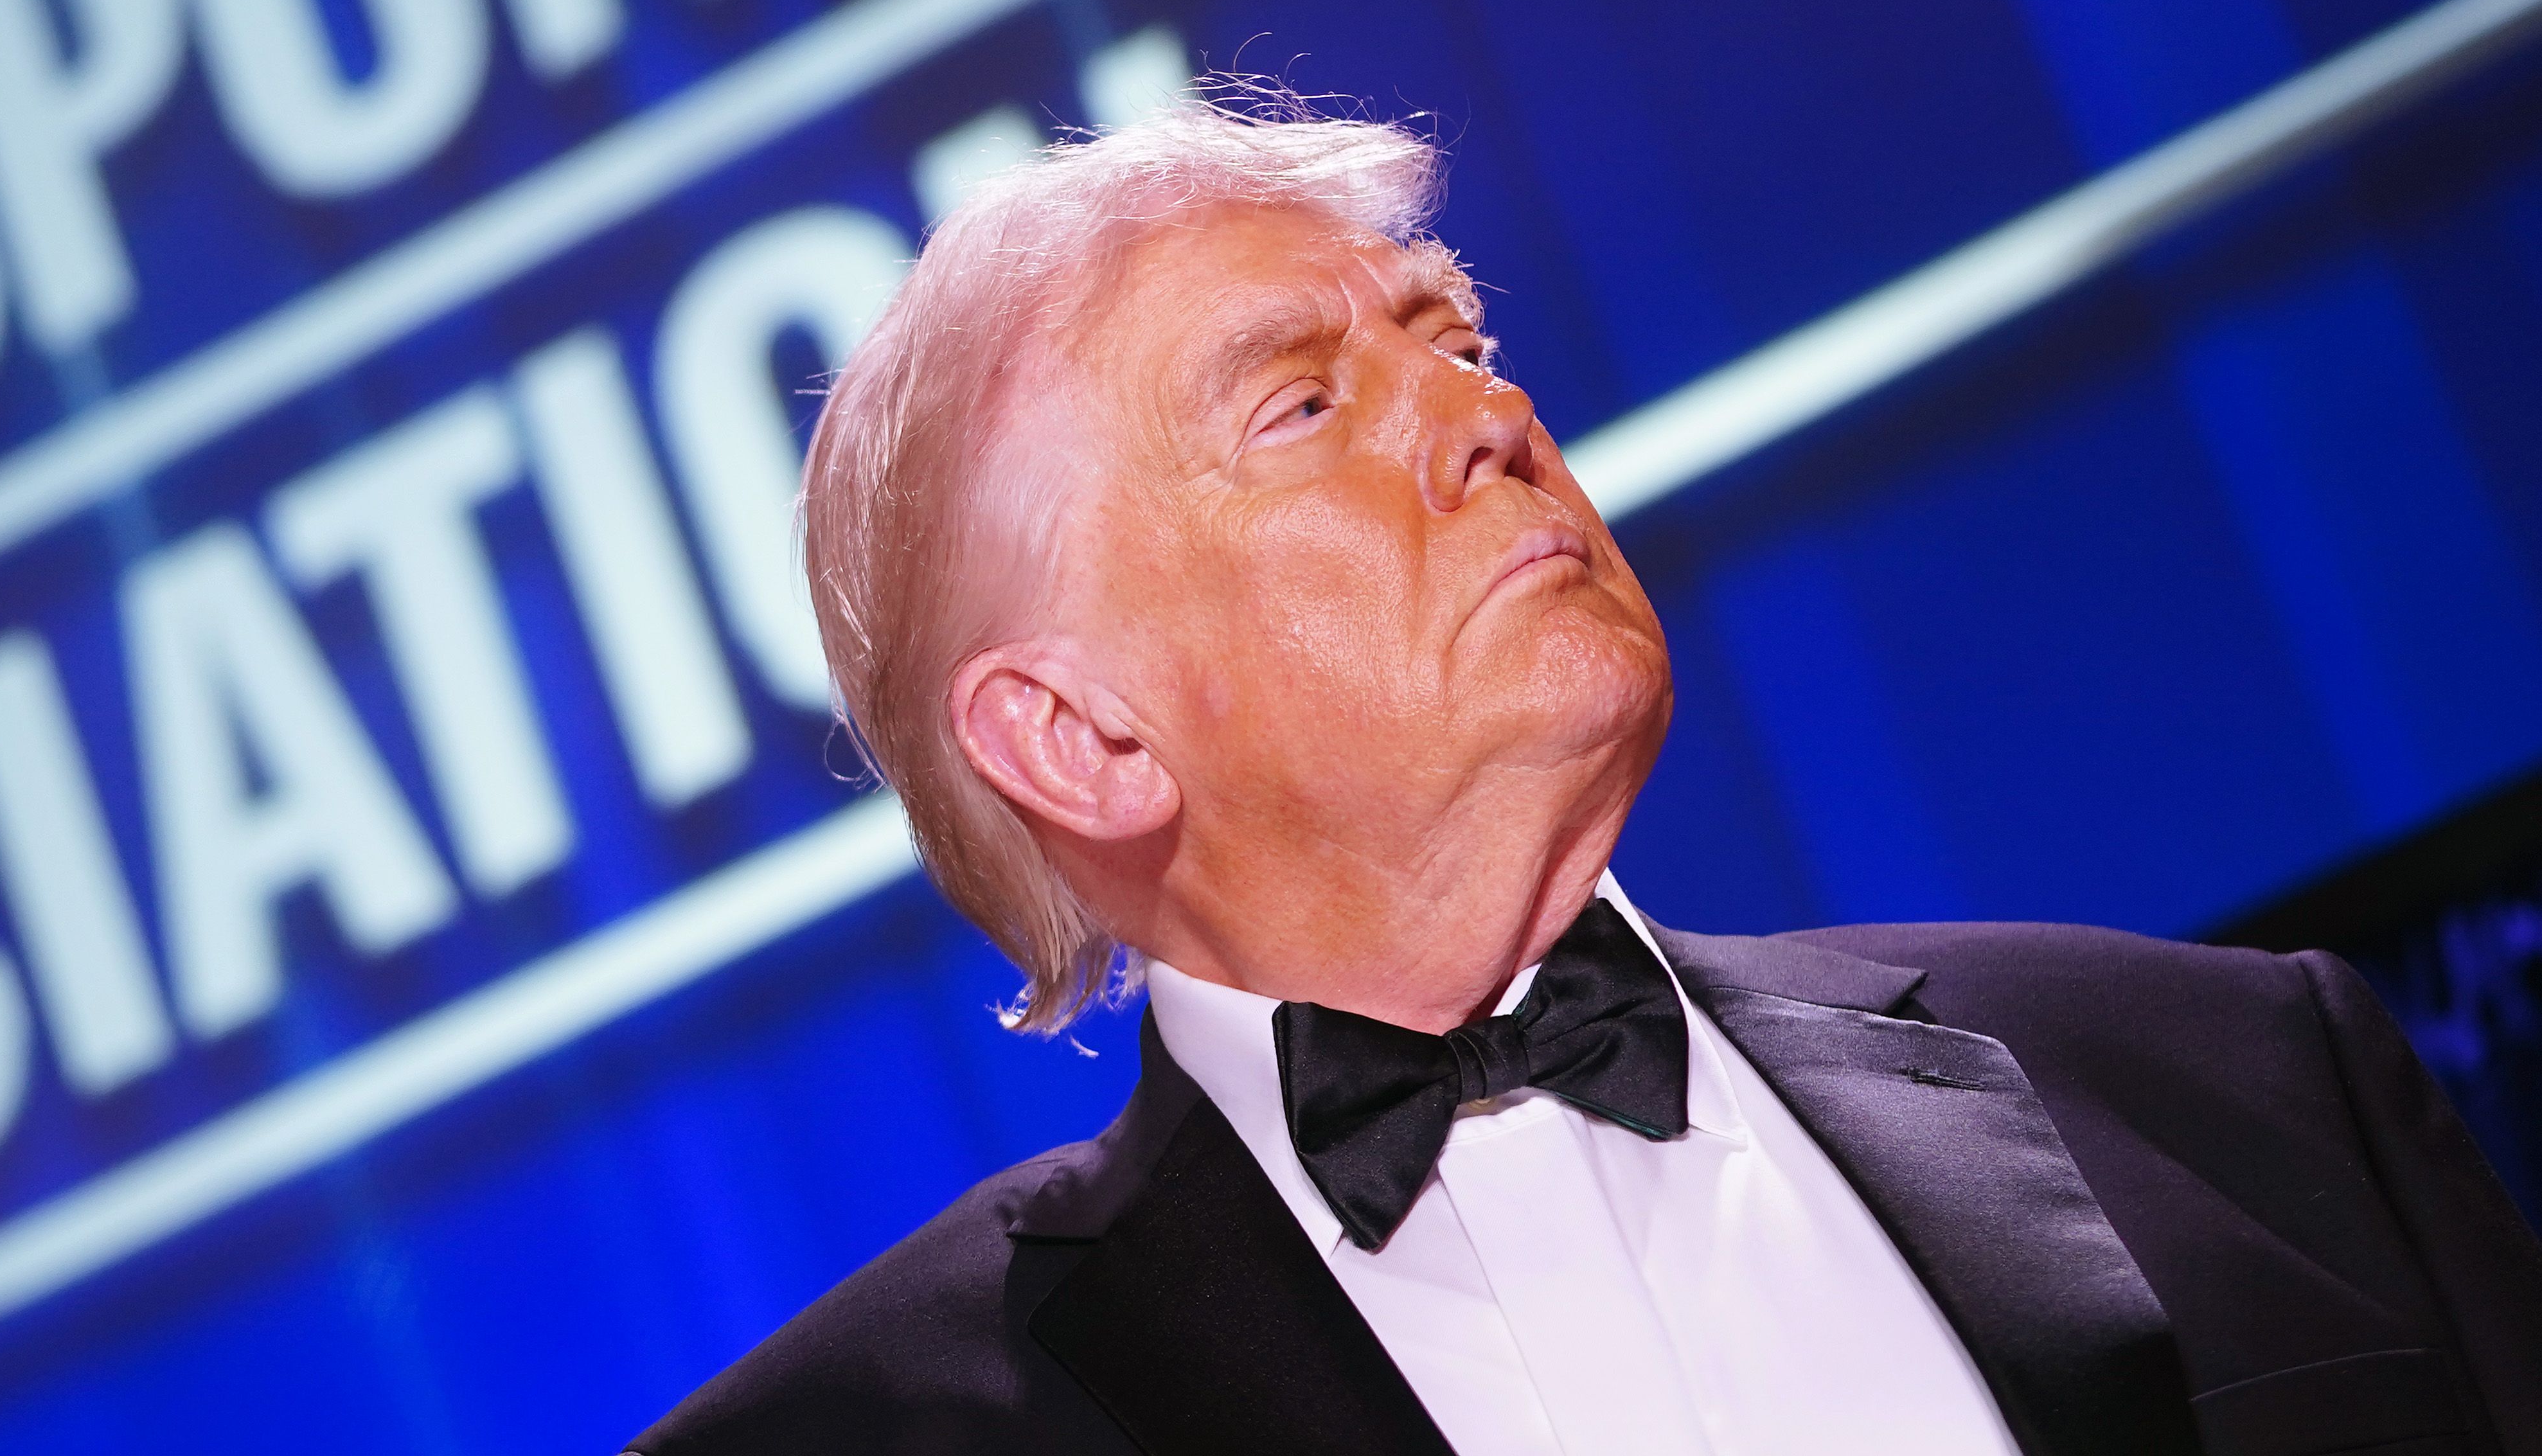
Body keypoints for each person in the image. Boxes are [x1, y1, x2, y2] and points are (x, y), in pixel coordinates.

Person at [632, 89, 2542, 1456]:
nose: (1488, 413)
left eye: (1455, 338)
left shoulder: (2244, 1083)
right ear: (1083, 737)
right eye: (1305, 406)